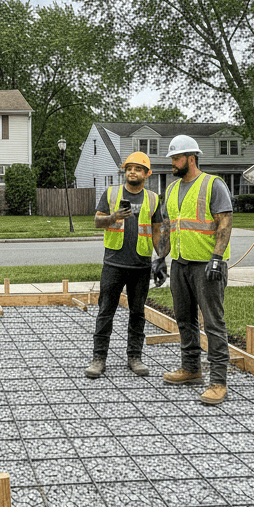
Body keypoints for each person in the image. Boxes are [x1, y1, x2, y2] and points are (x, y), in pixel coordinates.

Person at [159, 135, 234, 404]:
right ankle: (191, 369)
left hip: (206, 265)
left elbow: (224, 222)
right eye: (171, 159)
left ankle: (218, 381)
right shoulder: (171, 190)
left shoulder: (214, 185)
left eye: (176, 159)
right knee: (184, 319)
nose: (172, 164)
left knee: (213, 323)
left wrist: (216, 258)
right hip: (180, 264)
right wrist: (160, 257)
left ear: (191, 158)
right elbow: (169, 225)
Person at [85, 151, 164, 379]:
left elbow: (157, 231)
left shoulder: (153, 199)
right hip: (114, 264)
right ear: (125, 171)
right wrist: (113, 217)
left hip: (140, 265)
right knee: (105, 312)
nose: (132, 171)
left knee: (138, 313)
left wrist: (161, 260)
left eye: (138, 168)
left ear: (147, 174)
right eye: (129, 167)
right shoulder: (111, 193)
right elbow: (97, 220)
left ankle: (135, 357)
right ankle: (99, 358)